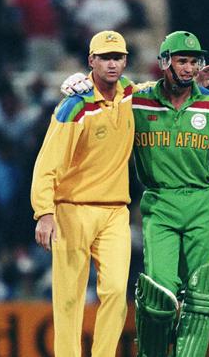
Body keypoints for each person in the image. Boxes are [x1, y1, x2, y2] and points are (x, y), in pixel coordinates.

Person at [129, 31, 209, 357]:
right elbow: (105, 100)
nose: (188, 68)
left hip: (202, 202)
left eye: (192, 62)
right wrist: (82, 86)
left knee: (200, 294)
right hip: (160, 203)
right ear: (164, 62)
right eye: (181, 61)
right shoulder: (138, 103)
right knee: (159, 296)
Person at [31, 30, 136, 357]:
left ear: (125, 61)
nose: (112, 64)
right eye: (104, 57)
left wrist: (190, 84)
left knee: (117, 292)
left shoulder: (132, 95)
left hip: (115, 212)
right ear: (91, 60)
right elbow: (47, 163)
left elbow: (161, 91)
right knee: (68, 299)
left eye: (117, 57)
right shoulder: (73, 107)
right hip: (72, 210)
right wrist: (44, 212)